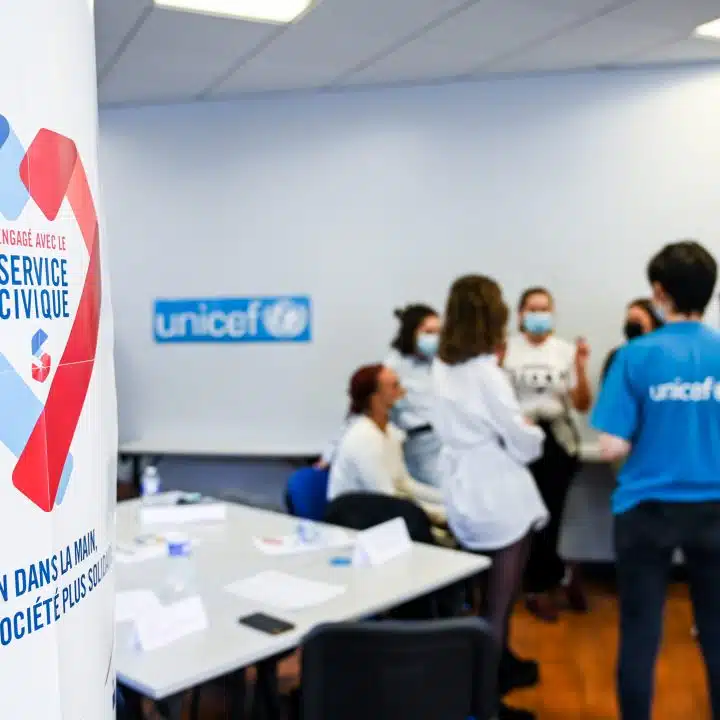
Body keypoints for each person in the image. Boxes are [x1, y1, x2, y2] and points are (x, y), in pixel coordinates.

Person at [591, 240, 720, 720]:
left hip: (647, 510)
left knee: (641, 632)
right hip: (715, 508)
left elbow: (611, 446)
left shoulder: (634, 356)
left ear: (660, 293)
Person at [432, 275, 548, 720]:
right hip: (499, 495)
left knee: (482, 601)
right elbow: (523, 442)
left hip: (464, 491)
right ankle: (484, 705)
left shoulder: (442, 368)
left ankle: (490, 682)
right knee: (498, 606)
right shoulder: (487, 372)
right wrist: (530, 431)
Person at [503, 287, 592, 622]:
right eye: (532, 309)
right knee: (526, 517)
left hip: (556, 439)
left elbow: (583, 404)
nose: (539, 315)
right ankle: (551, 578)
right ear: (520, 314)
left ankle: (543, 584)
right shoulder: (507, 350)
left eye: (545, 309)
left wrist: (581, 367)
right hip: (518, 441)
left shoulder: (564, 351)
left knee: (550, 515)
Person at [316, 304, 443, 490]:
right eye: (429, 332)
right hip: (420, 447)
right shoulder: (392, 368)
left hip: (445, 441)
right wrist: (329, 454)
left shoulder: (440, 364)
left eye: (439, 332)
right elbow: (360, 410)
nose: (436, 338)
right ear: (411, 333)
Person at [327, 364, 445, 526]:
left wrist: (447, 499)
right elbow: (387, 496)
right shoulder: (363, 439)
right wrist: (442, 514)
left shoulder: (390, 432)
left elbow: (405, 483)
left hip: (382, 513)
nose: (403, 392)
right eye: (394, 386)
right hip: (356, 520)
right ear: (376, 398)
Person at [601, 298, 664, 382]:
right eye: (629, 321)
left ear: (654, 324)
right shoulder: (617, 356)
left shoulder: (665, 356)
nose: (632, 325)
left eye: (637, 320)